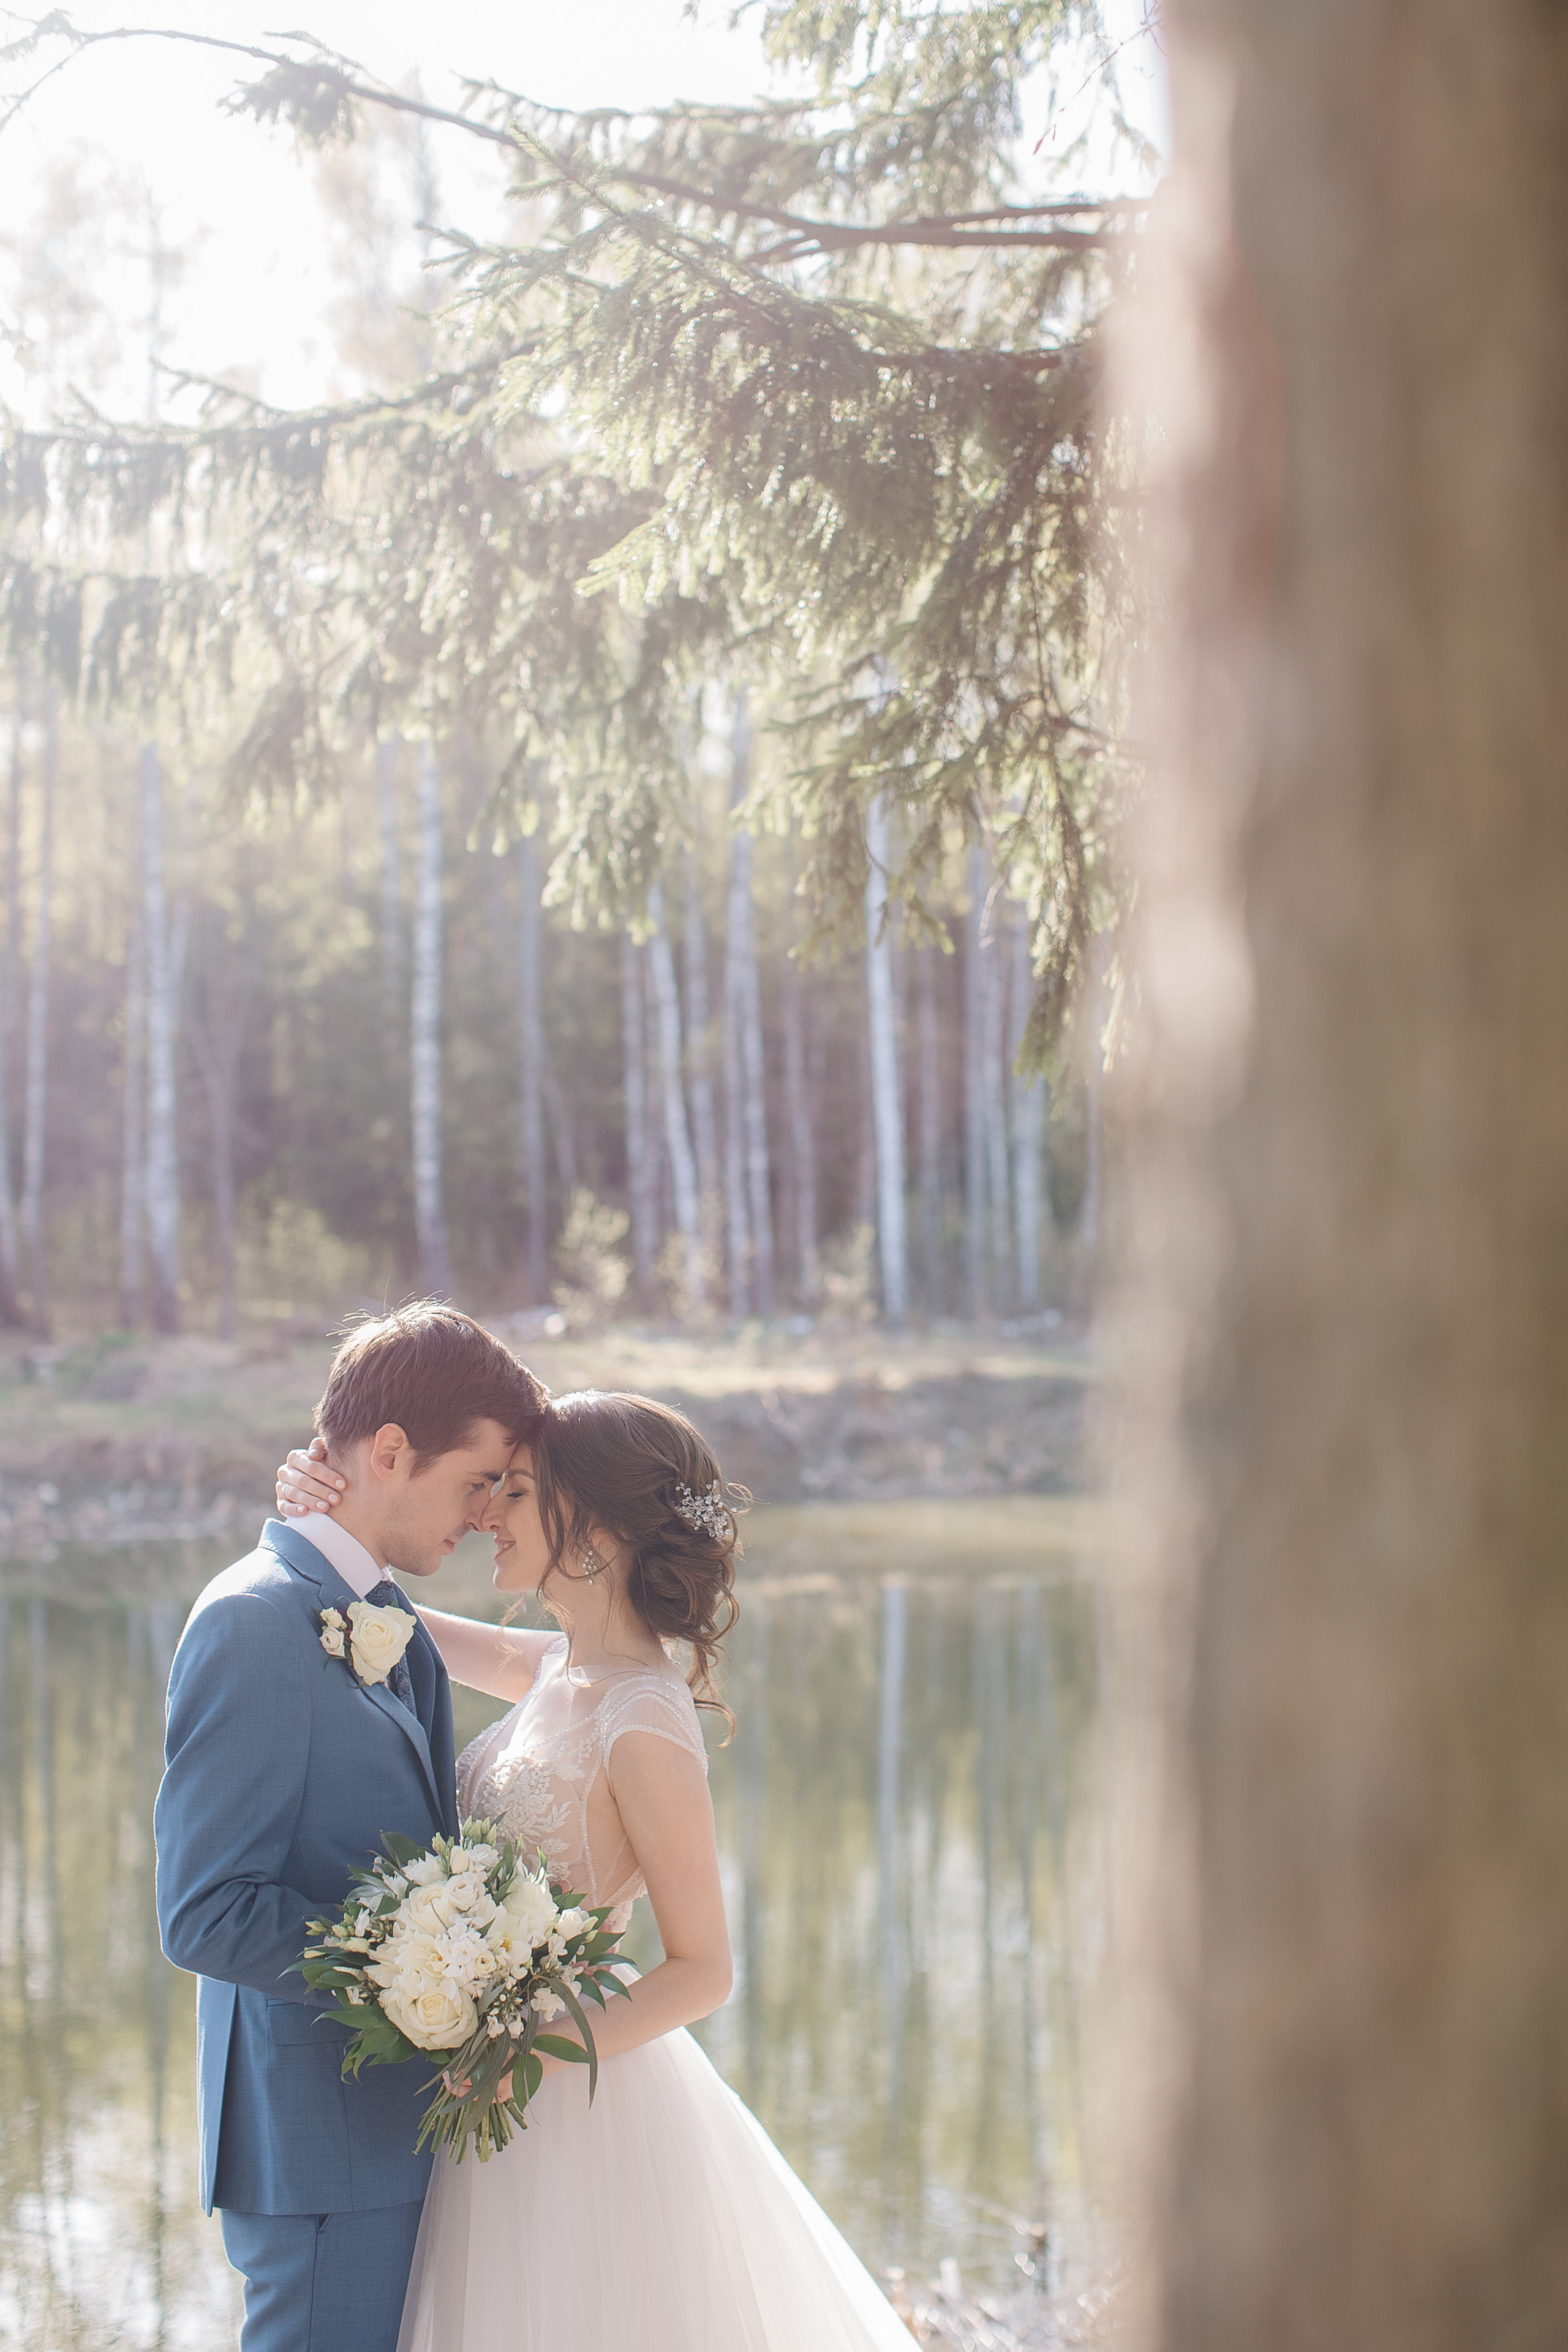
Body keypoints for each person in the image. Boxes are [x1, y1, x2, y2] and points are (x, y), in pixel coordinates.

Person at [275, 1387, 919, 2351]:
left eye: (519, 1492)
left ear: (600, 1529)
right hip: (484, 2086)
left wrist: (520, 2058)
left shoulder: (646, 1719)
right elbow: (383, 1610)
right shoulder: (552, 1670)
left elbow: (704, 1969)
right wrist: (315, 1508)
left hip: (573, 2094)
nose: (488, 1511)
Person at [156, 1302, 547, 2352]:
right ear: (387, 1451)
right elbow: (205, 1914)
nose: (481, 1514)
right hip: (316, 2141)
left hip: (395, 2125)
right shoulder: (254, 1623)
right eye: (477, 1482)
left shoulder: (384, 1616)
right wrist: (434, 1966)